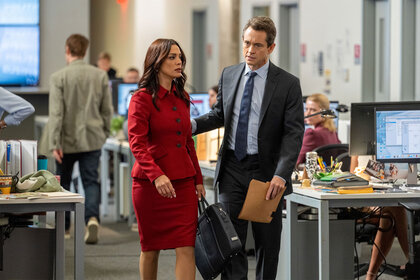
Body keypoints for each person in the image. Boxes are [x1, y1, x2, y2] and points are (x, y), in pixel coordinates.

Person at [193, 16, 304, 279]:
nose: (249, 50)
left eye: (257, 45)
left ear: (271, 48)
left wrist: (281, 173)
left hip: (266, 174)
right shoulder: (229, 74)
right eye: (246, 43)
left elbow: (293, 134)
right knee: (230, 244)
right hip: (232, 167)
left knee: (268, 245)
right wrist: (193, 126)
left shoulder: (287, 84)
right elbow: (219, 113)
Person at [127, 38, 206, 279]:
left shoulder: (182, 96)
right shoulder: (141, 98)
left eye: (180, 56)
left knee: (186, 246)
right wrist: (156, 175)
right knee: (151, 248)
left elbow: (188, 142)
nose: (178, 61)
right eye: (172, 57)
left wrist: (198, 179)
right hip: (150, 185)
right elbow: (137, 144)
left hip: (183, 183)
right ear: (157, 61)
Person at [48, 34, 113, 244]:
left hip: (66, 141)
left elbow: (57, 114)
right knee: (91, 181)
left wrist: (54, 142)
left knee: (63, 183)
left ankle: (65, 228)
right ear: (85, 51)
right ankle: (92, 219)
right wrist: (104, 133)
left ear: (67, 49)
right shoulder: (100, 76)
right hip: (93, 138)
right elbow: (107, 110)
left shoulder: (58, 77)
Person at [350, 157, 409, 279]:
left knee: (389, 212)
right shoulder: (360, 145)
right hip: (363, 200)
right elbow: (352, 176)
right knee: (394, 208)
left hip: (382, 197)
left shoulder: (388, 151)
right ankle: (413, 262)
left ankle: (370, 275)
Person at [296, 93, 341, 165]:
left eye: (313, 110)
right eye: (306, 109)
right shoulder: (332, 132)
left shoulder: (312, 133)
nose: (307, 114)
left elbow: (297, 161)